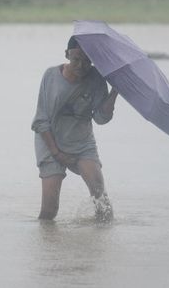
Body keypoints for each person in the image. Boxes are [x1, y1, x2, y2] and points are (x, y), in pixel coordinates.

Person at [31, 36, 119, 222]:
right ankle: (48, 249)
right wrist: (57, 153)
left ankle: (101, 244)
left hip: (81, 143)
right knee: (49, 212)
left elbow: (100, 119)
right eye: (76, 59)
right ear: (67, 55)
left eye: (87, 61)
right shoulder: (51, 76)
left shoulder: (96, 79)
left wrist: (115, 92)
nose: (81, 65)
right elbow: (40, 121)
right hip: (49, 141)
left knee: (101, 202)